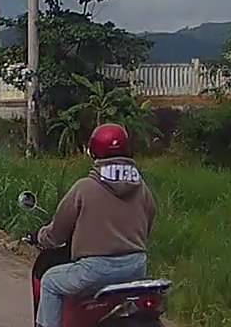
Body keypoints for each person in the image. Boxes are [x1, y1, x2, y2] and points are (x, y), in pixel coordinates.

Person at [34, 123, 157, 327]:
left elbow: (58, 232)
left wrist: (42, 237)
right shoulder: (142, 188)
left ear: (94, 151)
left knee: (50, 282)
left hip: (96, 271)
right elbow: (149, 223)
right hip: (136, 268)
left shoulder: (85, 187)